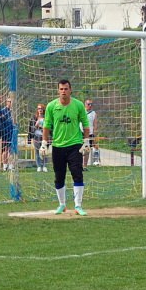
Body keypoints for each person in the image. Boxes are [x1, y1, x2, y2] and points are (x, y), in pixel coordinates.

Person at [39, 79, 90, 216]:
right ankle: (62, 204)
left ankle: (78, 206)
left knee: (77, 173)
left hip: (75, 145)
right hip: (58, 146)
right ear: (58, 91)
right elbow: (46, 126)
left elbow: (85, 124)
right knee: (59, 176)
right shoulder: (51, 106)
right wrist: (44, 144)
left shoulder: (78, 105)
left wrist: (86, 141)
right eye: (61, 89)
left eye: (66, 89)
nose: (63, 91)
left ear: (70, 90)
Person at [28, 104, 47, 172]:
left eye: (41, 108)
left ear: (43, 109)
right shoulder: (34, 117)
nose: (40, 110)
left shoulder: (46, 117)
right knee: (37, 152)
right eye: (39, 108)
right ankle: (39, 166)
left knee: (44, 151)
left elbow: (49, 127)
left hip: (44, 137)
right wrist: (36, 124)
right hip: (36, 137)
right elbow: (31, 128)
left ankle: (44, 166)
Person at [82, 99, 98, 170]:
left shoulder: (94, 113)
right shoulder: (81, 112)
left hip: (90, 134)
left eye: (91, 104)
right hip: (81, 133)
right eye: (88, 104)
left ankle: (85, 166)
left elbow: (95, 125)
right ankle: (78, 165)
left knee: (87, 150)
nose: (90, 106)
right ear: (85, 104)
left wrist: (94, 135)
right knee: (78, 150)